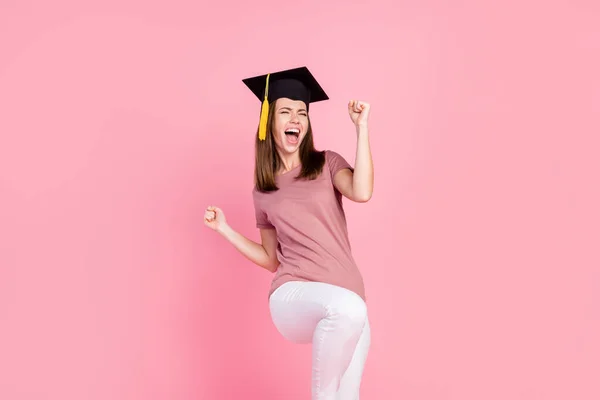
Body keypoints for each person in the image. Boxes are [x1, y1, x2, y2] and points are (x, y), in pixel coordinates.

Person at [203, 66, 374, 400]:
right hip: (293, 295)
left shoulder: (327, 163)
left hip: (348, 297)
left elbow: (362, 190)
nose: (296, 118)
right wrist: (224, 229)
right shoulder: (264, 190)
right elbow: (270, 258)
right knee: (348, 312)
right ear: (269, 122)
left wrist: (362, 128)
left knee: (348, 392)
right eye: (285, 111)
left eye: (302, 112)